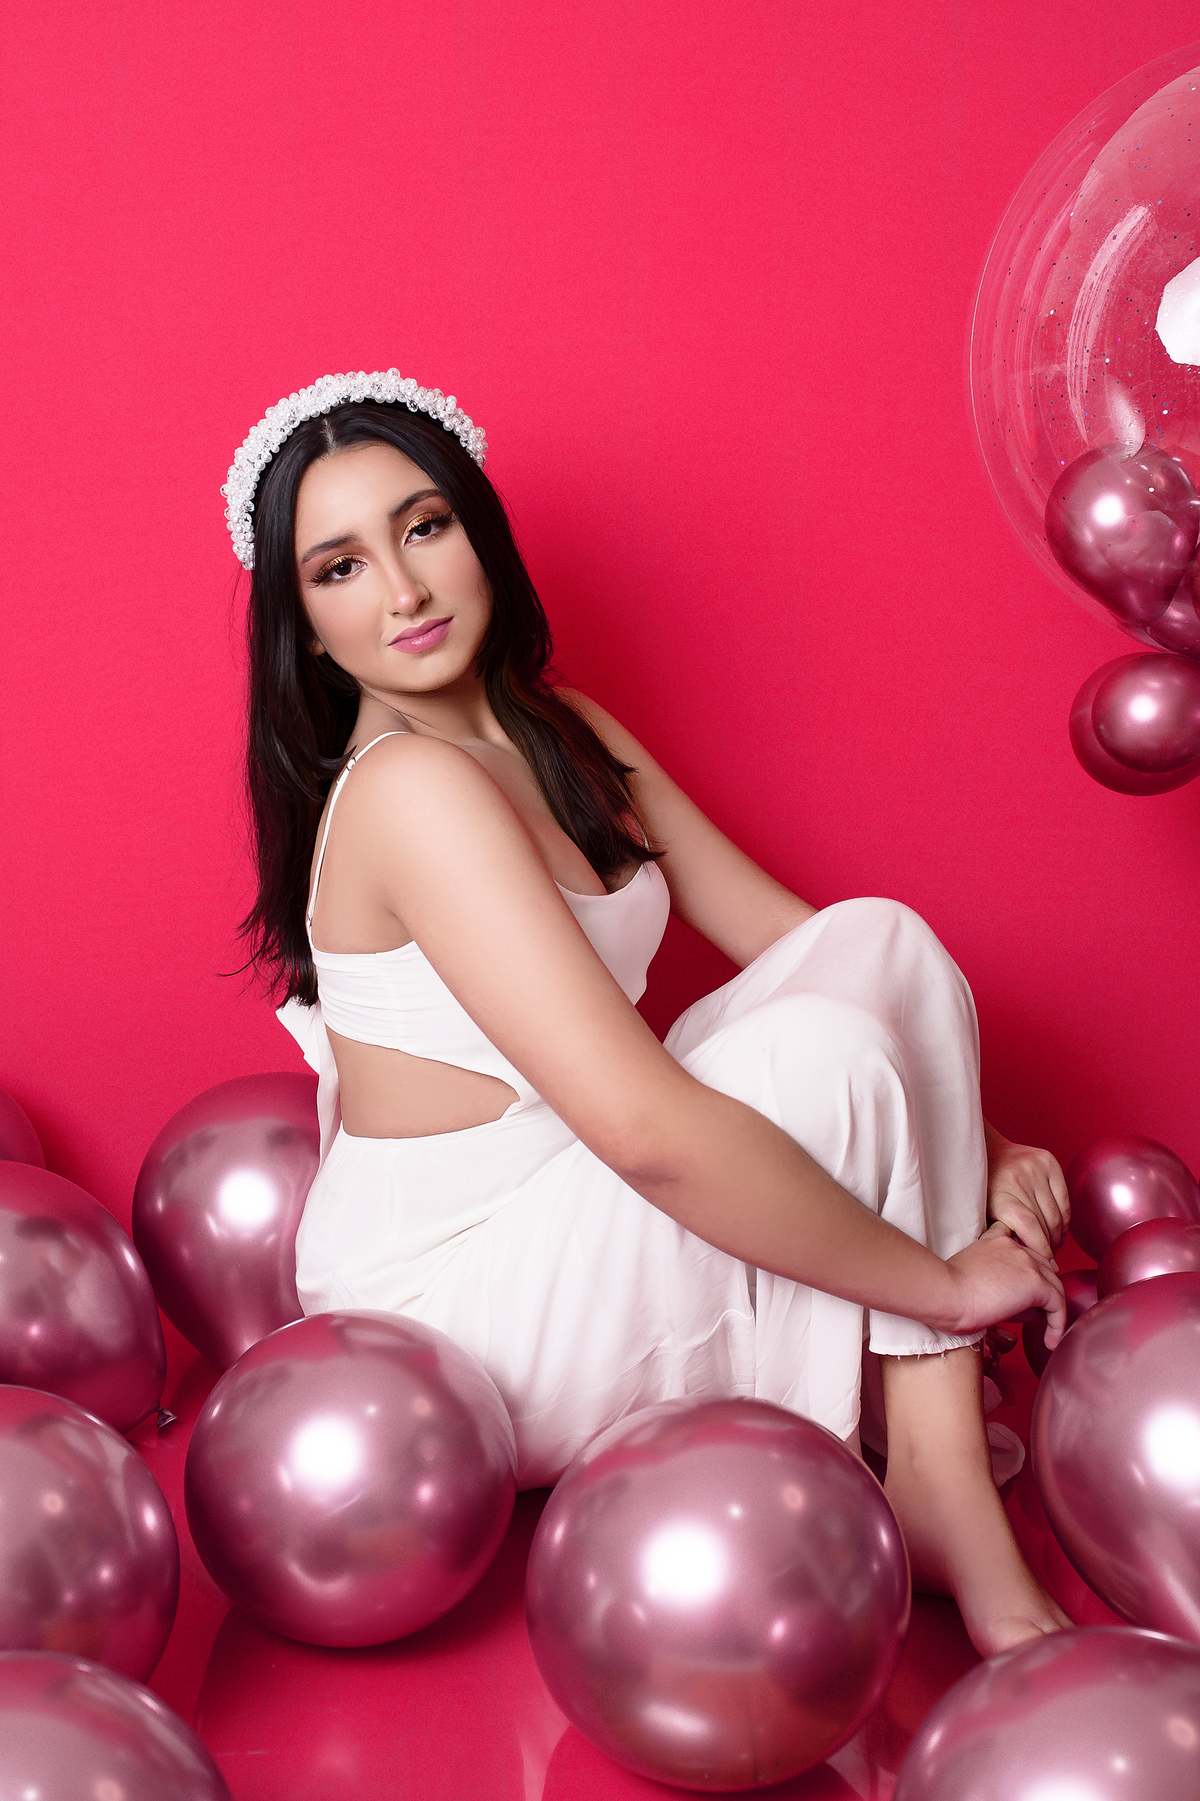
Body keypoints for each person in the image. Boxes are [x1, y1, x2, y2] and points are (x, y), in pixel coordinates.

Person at [228, 370, 1072, 1658]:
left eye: (423, 527)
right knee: (819, 1054)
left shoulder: (560, 731)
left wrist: (980, 1137)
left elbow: (813, 946)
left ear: (477, 532)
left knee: (880, 937)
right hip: (458, 1321)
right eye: (340, 567)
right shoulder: (409, 790)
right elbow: (643, 1130)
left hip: (580, 1193)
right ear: (304, 628)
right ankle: (947, 1482)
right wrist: (947, 1287)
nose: (401, 591)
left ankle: (937, 1476)